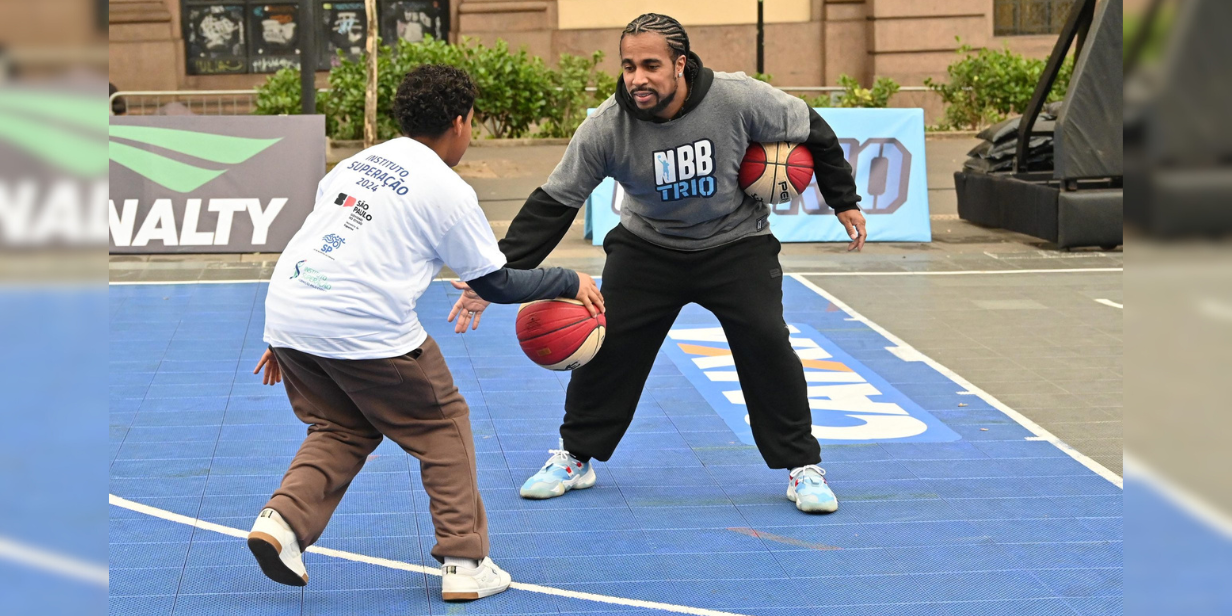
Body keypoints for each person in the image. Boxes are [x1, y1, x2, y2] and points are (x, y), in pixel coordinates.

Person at [451, 13, 867, 514]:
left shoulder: (736, 98)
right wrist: (492, 276)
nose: (636, 78)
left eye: (650, 65)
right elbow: (554, 204)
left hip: (736, 244)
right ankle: (575, 458)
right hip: (647, 246)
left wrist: (843, 199)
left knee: (767, 340)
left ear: (681, 65)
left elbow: (812, 127)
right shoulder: (607, 126)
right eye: (628, 66)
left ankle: (802, 467)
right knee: (608, 346)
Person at [248, 64, 603, 602]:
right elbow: (496, 282)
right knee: (443, 427)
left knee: (341, 427)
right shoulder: (447, 189)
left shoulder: (355, 164)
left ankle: (282, 523)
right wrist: (569, 278)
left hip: (290, 309)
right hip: (362, 325)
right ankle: (464, 561)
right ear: (461, 121)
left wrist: (285, 338)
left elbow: (320, 241)